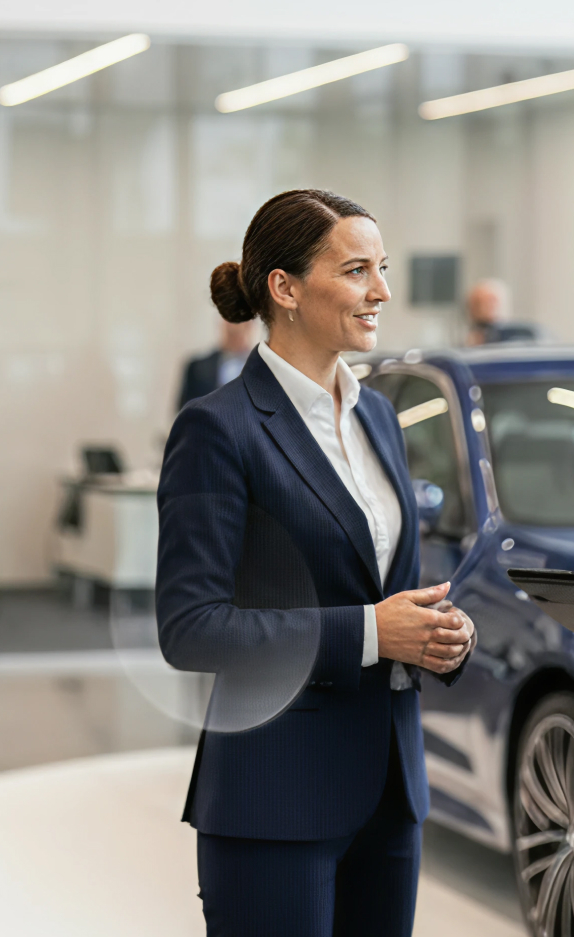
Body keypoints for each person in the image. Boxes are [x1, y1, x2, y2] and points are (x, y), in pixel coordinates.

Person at [155, 188, 476, 937]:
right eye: (358, 270)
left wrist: (438, 633)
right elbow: (191, 627)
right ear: (285, 288)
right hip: (275, 794)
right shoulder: (218, 430)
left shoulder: (378, 417)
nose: (383, 292)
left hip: (392, 791)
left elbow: (389, 587)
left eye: (383, 268)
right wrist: (371, 631)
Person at [177, 318, 260, 409]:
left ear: (251, 327)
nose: (236, 327)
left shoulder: (261, 370)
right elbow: (184, 409)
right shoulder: (198, 368)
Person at [463, 278, 540, 345]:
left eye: (492, 300)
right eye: (478, 303)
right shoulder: (470, 339)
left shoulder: (525, 334)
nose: (486, 306)